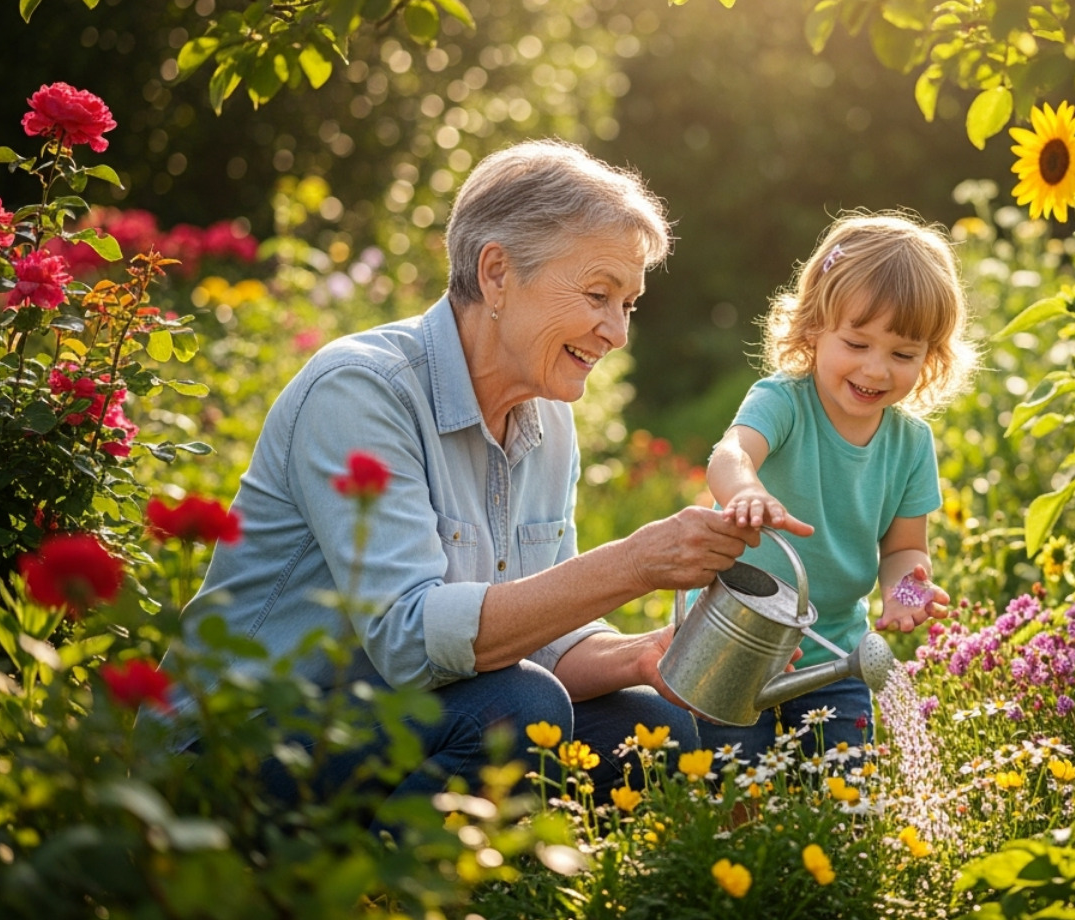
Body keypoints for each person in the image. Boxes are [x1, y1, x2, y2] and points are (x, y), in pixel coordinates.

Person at [168, 139, 757, 811]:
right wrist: (635, 563)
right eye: (599, 295)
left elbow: (548, 641)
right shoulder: (362, 390)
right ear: (498, 274)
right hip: (231, 750)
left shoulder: (547, 418)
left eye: (629, 304)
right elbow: (409, 641)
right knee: (516, 708)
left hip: (392, 727)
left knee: (655, 728)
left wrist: (646, 655)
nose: (617, 332)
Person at [702, 213, 976, 760]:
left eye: (902, 354)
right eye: (856, 343)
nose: (876, 370)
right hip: (739, 632)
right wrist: (746, 491)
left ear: (931, 358)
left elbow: (903, 549)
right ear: (813, 330)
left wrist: (907, 593)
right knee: (732, 775)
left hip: (835, 649)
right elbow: (729, 455)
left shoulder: (911, 443)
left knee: (843, 780)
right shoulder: (783, 401)